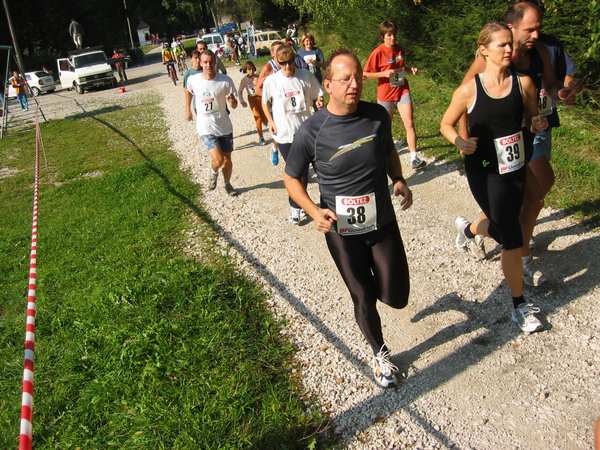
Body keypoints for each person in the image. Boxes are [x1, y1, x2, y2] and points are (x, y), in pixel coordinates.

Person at [284, 49, 413, 387]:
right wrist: (313, 211)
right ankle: (380, 354)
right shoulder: (312, 130)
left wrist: (398, 178)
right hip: (341, 228)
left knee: (397, 295)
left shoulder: (377, 116)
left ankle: (376, 296)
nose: (354, 84)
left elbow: (388, 151)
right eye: (345, 79)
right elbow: (291, 178)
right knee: (362, 294)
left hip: (381, 220)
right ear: (327, 85)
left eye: (357, 77)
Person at [440, 22, 549, 334]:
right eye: (501, 44)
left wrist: (536, 124)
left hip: (514, 167)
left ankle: (469, 230)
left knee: (505, 228)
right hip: (484, 169)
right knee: (512, 235)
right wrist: (460, 142)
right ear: (483, 50)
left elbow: (531, 118)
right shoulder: (469, 90)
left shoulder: (524, 83)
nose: (509, 49)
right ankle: (519, 306)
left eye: (510, 44)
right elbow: (445, 124)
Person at [460, 2, 578, 286]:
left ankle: (475, 231)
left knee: (531, 197)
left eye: (539, 28)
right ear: (512, 27)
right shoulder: (494, 54)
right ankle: (521, 255)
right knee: (533, 196)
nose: (536, 34)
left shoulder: (539, 52)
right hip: (501, 143)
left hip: (532, 131)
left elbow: (550, 84)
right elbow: (464, 95)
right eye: (530, 29)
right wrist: (463, 139)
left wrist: (561, 92)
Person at [262, 45, 324, 225]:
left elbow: (318, 94)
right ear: (277, 62)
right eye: (283, 64)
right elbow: (265, 102)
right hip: (285, 134)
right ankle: (296, 207)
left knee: (320, 169)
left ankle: (326, 203)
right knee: (297, 173)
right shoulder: (272, 81)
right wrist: (270, 121)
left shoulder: (305, 76)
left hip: (307, 132)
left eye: (290, 62)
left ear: (295, 60)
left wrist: (319, 101)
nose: (288, 67)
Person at [364, 20, 426, 171]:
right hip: (386, 94)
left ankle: (414, 158)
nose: (393, 38)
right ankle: (384, 156)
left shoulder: (399, 49)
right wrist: (383, 73)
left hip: (402, 89)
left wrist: (410, 70)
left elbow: (401, 67)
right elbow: (365, 74)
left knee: (409, 123)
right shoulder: (378, 52)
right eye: (389, 35)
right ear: (383, 36)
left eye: (394, 34)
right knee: (385, 127)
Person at [185, 50, 239, 195]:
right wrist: (187, 109)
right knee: (218, 159)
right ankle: (214, 172)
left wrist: (232, 101)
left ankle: (227, 184)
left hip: (224, 126)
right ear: (200, 63)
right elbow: (188, 91)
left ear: (215, 62)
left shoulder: (225, 81)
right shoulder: (193, 80)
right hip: (205, 126)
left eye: (211, 62)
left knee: (227, 159)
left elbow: (234, 105)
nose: (208, 65)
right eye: (205, 62)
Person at [238, 61, 267, 145]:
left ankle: (272, 129)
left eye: (252, 69)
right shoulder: (244, 80)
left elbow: (266, 86)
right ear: (245, 70)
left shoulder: (258, 77)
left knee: (265, 116)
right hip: (252, 99)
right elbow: (240, 91)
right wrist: (242, 101)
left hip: (261, 97)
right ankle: (261, 137)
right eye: (249, 69)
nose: (251, 71)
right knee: (257, 117)